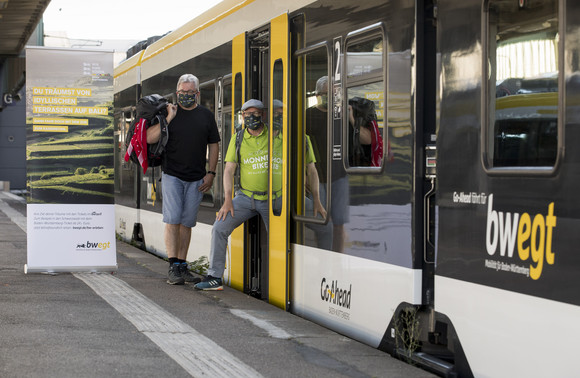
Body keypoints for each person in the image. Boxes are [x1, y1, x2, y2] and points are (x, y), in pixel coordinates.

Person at [147, 74, 220, 285]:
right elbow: (149, 138)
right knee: (173, 220)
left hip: (197, 178)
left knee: (187, 222)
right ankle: (172, 266)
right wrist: (168, 118)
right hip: (172, 175)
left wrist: (211, 172)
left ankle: (181, 264)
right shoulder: (168, 114)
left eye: (190, 92)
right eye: (182, 93)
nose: (186, 96)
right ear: (176, 93)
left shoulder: (205, 116)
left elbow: (214, 144)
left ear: (197, 93)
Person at [195, 99, 269, 291]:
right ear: (242, 117)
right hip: (245, 197)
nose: (252, 118)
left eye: (256, 114)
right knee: (219, 227)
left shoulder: (276, 136)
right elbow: (228, 171)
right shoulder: (238, 138)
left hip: (272, 198)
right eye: (247, 114)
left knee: (279, 237)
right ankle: (214, 277)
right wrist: (228, 200)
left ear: (264, 115)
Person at [305, 76, 349, 252]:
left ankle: (338, 258)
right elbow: (299, 148)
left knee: (339, 223)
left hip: (340, 176)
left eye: (334, 93)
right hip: (317, 176)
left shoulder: (340, 115)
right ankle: (324, 254)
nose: (331, 97)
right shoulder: (306, 116)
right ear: (317, 95)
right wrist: (303, 175)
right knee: (323, 221)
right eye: (326, 94)